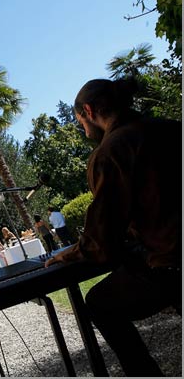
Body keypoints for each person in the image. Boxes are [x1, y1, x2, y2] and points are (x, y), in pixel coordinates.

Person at [45, 78, 182, 376]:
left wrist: (69, 254)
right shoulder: (172, 127)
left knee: (99, 303)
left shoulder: (111, 152)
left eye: (81, 122)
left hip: (174, 265)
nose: (84, 130)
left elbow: (103, 238)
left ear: (89, 111)